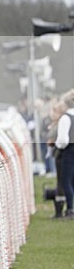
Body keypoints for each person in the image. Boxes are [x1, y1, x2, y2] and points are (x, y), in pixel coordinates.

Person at [53, 90, 74, 219]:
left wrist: (57, 147)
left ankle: (70, 209)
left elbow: (63, 140)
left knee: (66, 181)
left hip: (69, 150)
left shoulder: (65, 118)